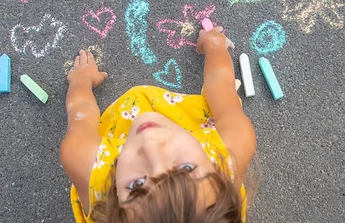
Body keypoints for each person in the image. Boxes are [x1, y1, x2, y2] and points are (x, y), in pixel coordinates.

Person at [60, 27, 256, 223]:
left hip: (121, 124)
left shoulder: (85, 161)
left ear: (115, 211)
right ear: (223, 189)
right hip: (191, 119)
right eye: (186, 168)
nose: (150, 144)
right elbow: (221, 83)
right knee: (222, 102)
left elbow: (81, 111)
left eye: (137, 184)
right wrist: (215, 46)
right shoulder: (234, 146)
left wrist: (81, 80)